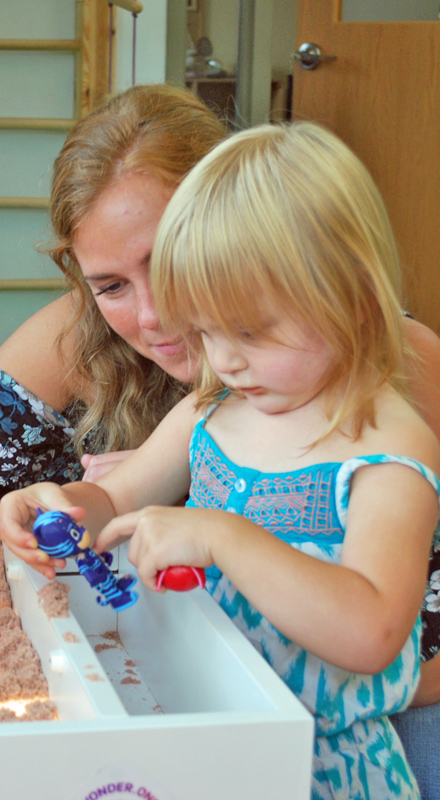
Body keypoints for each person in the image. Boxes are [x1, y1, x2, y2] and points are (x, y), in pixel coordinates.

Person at [1, 121, 440, 799]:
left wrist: (223, 536)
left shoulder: (386, 450)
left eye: (247, 330)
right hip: (210, 716)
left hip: (322, 765)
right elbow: (116, 500)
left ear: (350, 295)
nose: (223, 359)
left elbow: (372, 632)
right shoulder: (213, 409)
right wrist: (54, 502)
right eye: (202, 328)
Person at [0, 83, 228, 496]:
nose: (151, 315)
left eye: (167, 264)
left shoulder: (319, 346)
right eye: (111, 287)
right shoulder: (69, 342)